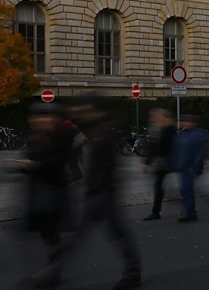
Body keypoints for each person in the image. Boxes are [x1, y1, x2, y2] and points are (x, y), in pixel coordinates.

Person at [33, 97, 141, 290]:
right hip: (97, 192)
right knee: (106, 235)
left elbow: (110, 164)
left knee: (84, 237)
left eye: (80, 108)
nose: (77, 112)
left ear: (91, 107)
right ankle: (132, 272)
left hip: (102, 193)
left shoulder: (105, 130)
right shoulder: (95, 128)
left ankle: (51, 274)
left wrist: (99, 186)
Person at [13, 104, 72, 268]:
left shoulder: (62, 136)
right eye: (37, 118)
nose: (40, 121)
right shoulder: (36, 137)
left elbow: (59, 162)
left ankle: (54, 268)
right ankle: (54, 261)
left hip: (54, 190)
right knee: (45, 232)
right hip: (38, 191)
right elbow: (29, 158)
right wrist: (22, 165)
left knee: (52, 232)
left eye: (44, 117)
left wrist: (36, 165)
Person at [142, 108, 176, 220]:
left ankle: (156, 212)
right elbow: (151, 147)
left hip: (164, 161)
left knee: (158, 185)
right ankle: (181, 202)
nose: (155, 118)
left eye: (157, 116)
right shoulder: (155, 129)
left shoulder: (169, 129)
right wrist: (147, 162)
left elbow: (169, 146)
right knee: (160, 186)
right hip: (159, 161)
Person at [173, 114, 209, 221]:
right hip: (183, 167)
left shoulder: (197, 135)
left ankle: (190, 212)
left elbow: (200, 153)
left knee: (187, 189)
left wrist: (196, 167)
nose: (184, 123)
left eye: (187, 121)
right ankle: (189, 210)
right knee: (185, 190)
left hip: (190, 167)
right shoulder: (183, 134)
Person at [63, 118, 85, 184]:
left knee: (72, 165)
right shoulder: (76, 130)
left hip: (71, 151)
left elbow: (66, 143)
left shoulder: (67, 132)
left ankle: (75, 179)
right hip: (77, 150)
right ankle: (79, 178)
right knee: (75, 165)